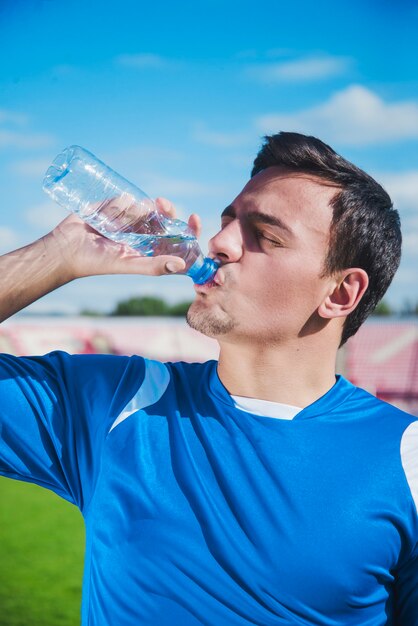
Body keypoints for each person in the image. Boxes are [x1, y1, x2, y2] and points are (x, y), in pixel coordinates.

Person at [0, 132, 416, 626]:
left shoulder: (407, 460)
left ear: (342, 293)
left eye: (265, 236)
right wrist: (59, 254)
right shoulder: (114, 404)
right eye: (227, 222)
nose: (218, 243)